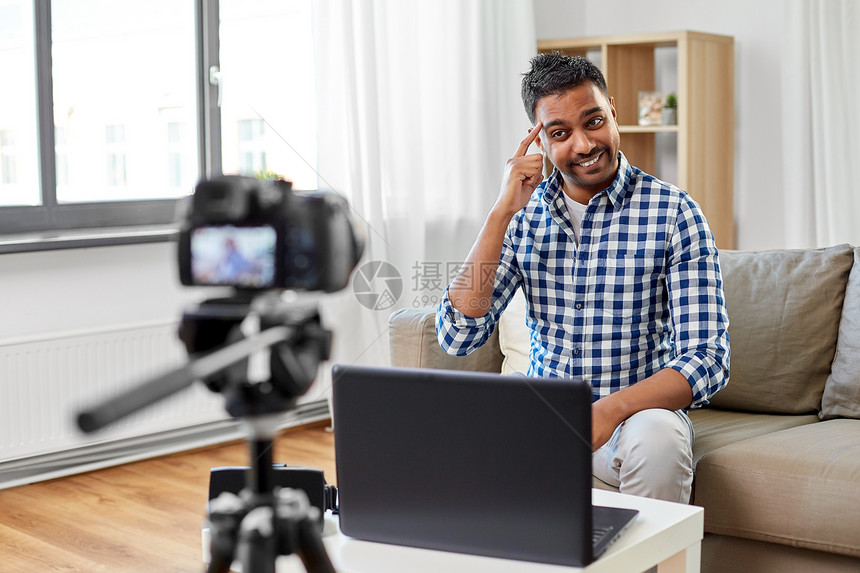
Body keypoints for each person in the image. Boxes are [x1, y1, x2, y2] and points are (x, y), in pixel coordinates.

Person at [435, 53, 730, 504]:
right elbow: (457, 335)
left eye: (593, 121)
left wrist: (608, 411)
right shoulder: (522, 217)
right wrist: (500, 213)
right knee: (455, 430)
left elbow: (708, 357)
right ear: (541, 142)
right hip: (544, 412)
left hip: (636, 418)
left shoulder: (674, 211)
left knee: (658, 440)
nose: (583, 144)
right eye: (560, 133)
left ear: (613, 110)